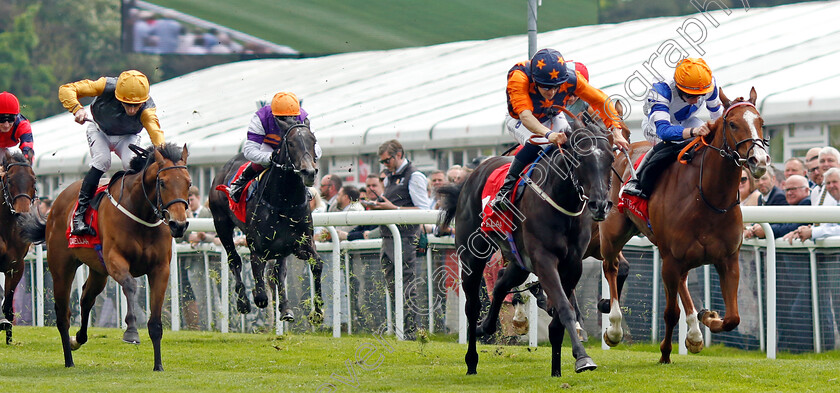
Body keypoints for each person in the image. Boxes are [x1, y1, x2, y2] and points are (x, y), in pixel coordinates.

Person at [490, 48, 629, 211]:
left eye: (556, 87)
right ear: (534, 80)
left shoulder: (572, 78)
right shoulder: (519, 77)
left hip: (553, 114)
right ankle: (506, 189)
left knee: (574, 144)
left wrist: (617, 131)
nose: (552, 92)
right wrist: (550, 135)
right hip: (520, 118)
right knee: (542, 142)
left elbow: (601, 101)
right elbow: (526, 116)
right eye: (546, 88)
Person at [59, 70, 164, 236]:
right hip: (99, 130)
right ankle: (79, 214)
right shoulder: (105, 86)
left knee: (133, 166)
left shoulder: (148, 109)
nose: (132, 109)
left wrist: (163, 153)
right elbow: (66, 89)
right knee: (102, 161)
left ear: (143, 101)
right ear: (117, 96)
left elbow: (156, 132)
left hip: (128, 136)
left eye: (136, 105)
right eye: (127, 104)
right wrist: (76, 108)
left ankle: (140, 211)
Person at [621, 58, 722, 199]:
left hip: (686, 120)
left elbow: (718, 117)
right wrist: (694, 132)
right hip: (656, 126)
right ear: (679, 89)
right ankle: (635, 180)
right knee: (672, 143)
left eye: (701, 95)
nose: (696, 100)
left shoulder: (708, 83)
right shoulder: (662, 89)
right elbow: (664, 132)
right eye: (690, 95)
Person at [370, 139, 432, 338]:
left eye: (387, 160)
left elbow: (424, 211)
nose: (385, 165)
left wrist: (393, 209)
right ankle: (401, 329)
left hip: (405, 239)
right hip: (388, 238)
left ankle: (411, 332)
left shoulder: (415, 176)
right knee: (393, 288)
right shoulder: (389, 177)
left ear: (399, 154)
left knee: (406, 288)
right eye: (382, 162)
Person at [226, 91, 320, 203]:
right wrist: (271, 156)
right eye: (282, 118)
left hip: (293, 147)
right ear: (273, 115)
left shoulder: (304, 117)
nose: (288, 120)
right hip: (268, 146)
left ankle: (304, 187)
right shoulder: (260, 117)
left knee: (298, 158)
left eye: (292, 116)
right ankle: (241, 182)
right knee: (263, 162)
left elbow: (317, 149)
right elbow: (249, 150)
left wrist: (307, 159)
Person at [744, 175, 810, 239]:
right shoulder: (793, 205)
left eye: (793, 189)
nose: (789, 193)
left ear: (806, 190)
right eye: (787, 190)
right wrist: (753, 229)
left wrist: (766, 230)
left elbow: (792, 227)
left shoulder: (807, 203)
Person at [0, 92, 35, 163]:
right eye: (1, 119)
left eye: (11, 119)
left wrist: (26, 160)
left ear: (16, 117)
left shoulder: (23, 125)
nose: (6, 125)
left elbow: (28, 147)